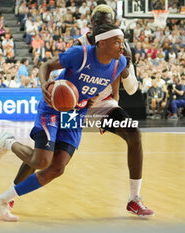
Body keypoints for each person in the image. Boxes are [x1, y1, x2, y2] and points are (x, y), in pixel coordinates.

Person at [9, 4, 154, 218]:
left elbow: (131, 89)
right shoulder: (81, 46)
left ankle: (134, 199)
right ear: (93, 25)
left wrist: (128, 69)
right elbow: (55, 68)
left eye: (108, 22)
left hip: (102, 105)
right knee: (46, 154)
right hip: (74, 106)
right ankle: (11, 193)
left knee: (134, 134)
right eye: (100, 22)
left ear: (113, 24)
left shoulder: (119, 47)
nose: (103, 25)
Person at [0, 24, 128, 221]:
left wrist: (108, 99)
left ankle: (1, 201)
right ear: (102, 43)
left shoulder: (119, 63)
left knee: (57, 168)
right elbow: (46, 66)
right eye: (117, 42)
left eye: (122, 41)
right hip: (53, 107)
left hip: (75, 114)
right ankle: (8, 142)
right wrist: (44, 84)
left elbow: (111, 83)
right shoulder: (80, 54)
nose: (122, 46)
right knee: (41, 161)